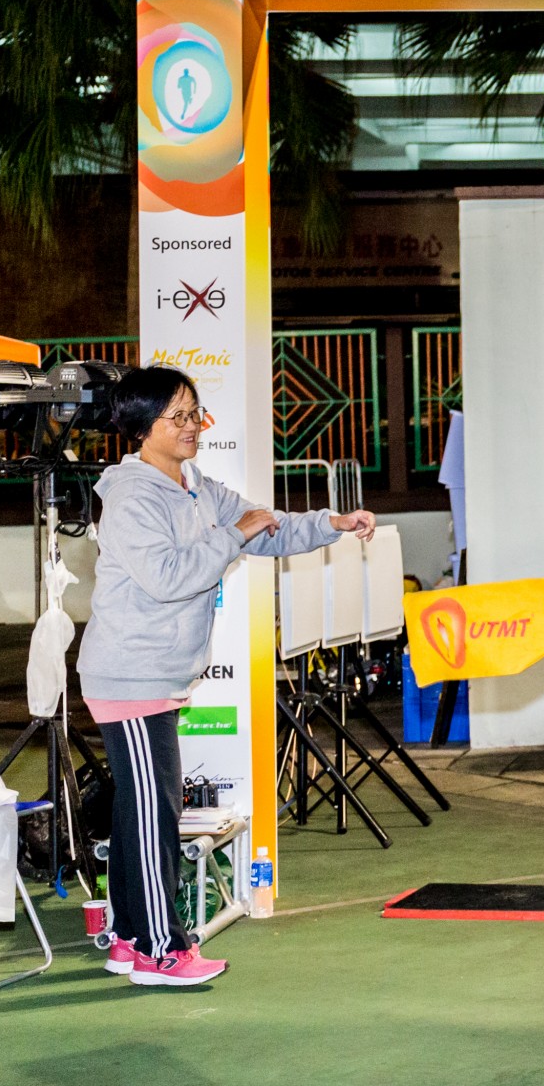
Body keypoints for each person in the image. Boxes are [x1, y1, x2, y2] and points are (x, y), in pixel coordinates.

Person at [78, 366, 375, 986]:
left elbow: (265, 527)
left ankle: (128, 941)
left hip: (155, 676)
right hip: (130, 674)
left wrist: (333, 524)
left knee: (138, 811)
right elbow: (169, 577)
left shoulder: (196, 487)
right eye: (178, 416)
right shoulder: (132, 498)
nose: (192, 426)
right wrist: (231, 535)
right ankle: (161, 951)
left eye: (195, 413)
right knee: (155, 815)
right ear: (142, 427)